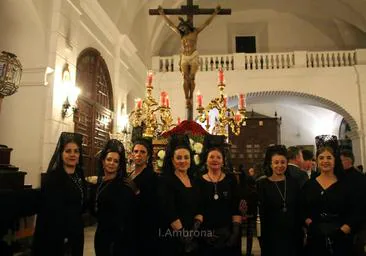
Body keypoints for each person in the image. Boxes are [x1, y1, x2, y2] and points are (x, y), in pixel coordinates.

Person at [302, 135, 360, 256]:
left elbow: (356, 211)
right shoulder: (309, 184)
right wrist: (311, 225)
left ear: (335, 160)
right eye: (321, 158)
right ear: (317, 161)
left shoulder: (346, 184)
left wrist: (343, 230)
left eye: (329, 157)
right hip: (316, 238)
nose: (325, 161)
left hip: (342, 238)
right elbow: (302, 209)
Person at [32, 132, 87, 256]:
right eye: (68, 151)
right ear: (61, 153)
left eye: (76, 151)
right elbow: (50, 213)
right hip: (58, 236)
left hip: (76, 233)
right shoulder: (53, 178)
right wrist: (64, 236)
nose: (72, 154)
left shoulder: (79, 176)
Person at [158, 5, 221, 107]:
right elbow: (170, 25)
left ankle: (191, 96)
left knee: (192, 77)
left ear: (187, 26)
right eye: (181, 28)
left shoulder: (195, 32)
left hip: (193, 56)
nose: (182, 29)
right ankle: (186, 98)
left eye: (183, 27)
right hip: (184, 56)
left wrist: (214, 13)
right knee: (185, 77)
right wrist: (162, 15)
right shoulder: (181, 34)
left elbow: (206, 23)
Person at [157, 134, 203, 256]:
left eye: (186, 157)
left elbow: (200, 206)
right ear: (172, 160)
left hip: (194, 235)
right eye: (179, 158)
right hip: (173, 236)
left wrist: (194, 230)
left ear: (190, 160)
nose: (183, 161)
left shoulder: (195, 180)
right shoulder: (165, 180)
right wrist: (184, 235)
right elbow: (168, 210)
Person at [197, 134, 242, 256]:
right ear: (206, 160)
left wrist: (234, 233)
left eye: (218, 157)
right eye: (211, 157)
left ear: (223, 161)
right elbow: (197, 208)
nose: (215, 160)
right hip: (205, 234)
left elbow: (235, 206)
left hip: (227, 233)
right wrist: (203, 233)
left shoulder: (230, 179)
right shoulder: (198, 181)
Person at [93, 139, 137, 256]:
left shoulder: (124, 186)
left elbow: (126, 216)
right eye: (109, 159)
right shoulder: (100, 182)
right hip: (101, 234)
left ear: (119, 165)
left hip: (117, 239)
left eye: (116, 161)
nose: (111, 163)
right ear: (103, 161)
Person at [257, 145, 303, 256]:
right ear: (271, 164)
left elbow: (299, 209)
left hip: (293, 234)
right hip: (271, 235)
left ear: (287, 163)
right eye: (276, 162)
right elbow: (261, 213)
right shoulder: (263, 184)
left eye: (283, 162)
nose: (279, 166)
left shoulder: (294, 183)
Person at [129, 138, 160, 256]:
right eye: (136, 151)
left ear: (148, 156)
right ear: (131, 155)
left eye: (142, 152)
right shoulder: (130, 174)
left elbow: (153, 203)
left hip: (144, 226)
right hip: (129, 223)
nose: (138, 155)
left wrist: (137, 192)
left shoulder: (152, 176)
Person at [340, 150, 366, 255]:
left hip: (355, 223)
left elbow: (360, 203)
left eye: (340, 161)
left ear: (348, 161)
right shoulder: (342, 175)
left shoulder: (358, 178)